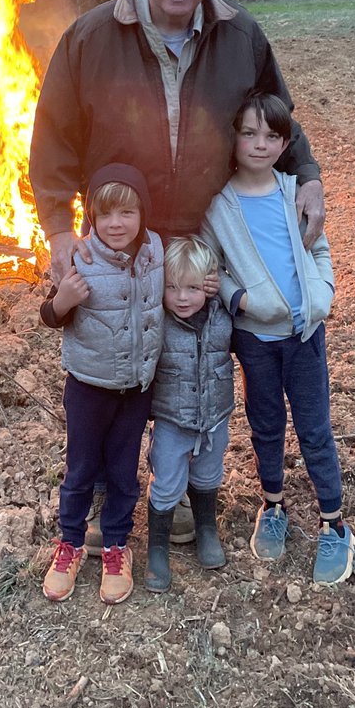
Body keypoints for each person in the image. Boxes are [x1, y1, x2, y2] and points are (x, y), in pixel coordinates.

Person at [29, 0, 326, 289]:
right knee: (121, 350)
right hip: (117, 247)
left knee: (206, 348)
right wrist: (58, 229)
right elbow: (54, 137)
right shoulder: (90, 38)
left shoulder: (240, 36)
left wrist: (308, 176)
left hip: (209, 241)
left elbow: (275, 118)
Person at [200, 93, 355, 585]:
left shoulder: (293, 191)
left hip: (305, 334)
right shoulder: (218, 203)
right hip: (255, 339)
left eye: (271, 136)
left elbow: (321, 245)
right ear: (234, 137)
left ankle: (334, 524)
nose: (259, 144)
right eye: (249, 133)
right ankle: (274, 506)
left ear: (285, 142)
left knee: (314, 428)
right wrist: (240, 300)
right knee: (265, 422)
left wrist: (323, 292)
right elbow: (210, 264)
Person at [40, 163, 164, 605]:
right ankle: (70, 543)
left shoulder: (156, 252)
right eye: (106, 214)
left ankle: (116, 545)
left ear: (142, 214)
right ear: (91, 215)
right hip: (89, 387)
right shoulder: (81, 257)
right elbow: (51, 315)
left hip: (135, 389)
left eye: (127, 213)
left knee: (124, 471)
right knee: (80, 470)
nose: (116, 224)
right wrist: (64, 300)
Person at [145, 236, 234, 593]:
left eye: (193, 287)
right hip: (171, 419)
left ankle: (206, 528)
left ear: (210, 284)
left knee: (209, 473)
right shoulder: (159, 323)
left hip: (215, 417)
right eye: (173, 287)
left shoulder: (223, 317)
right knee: (166, 481)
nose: (182, 297)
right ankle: (156, 548)